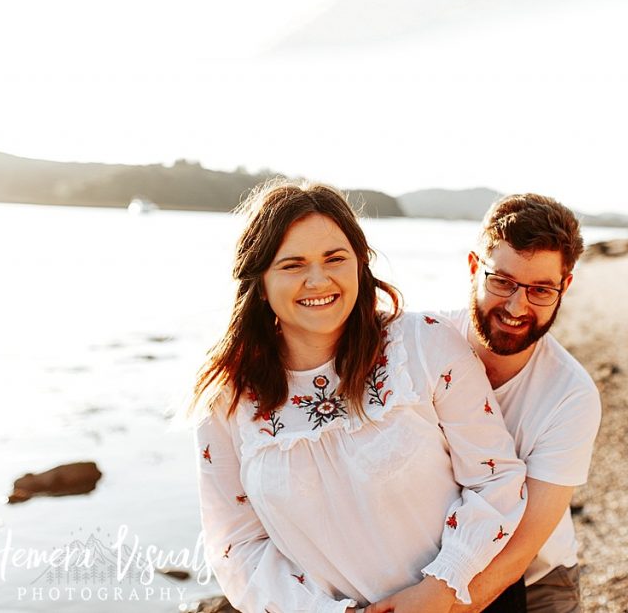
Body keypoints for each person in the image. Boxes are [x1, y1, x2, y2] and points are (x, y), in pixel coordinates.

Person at [189, 180, 527, 613]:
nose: (318, 279)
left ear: (359, 265)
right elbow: (237, 547)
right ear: (260, 279)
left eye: (335, 258)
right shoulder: (226, 400)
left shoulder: (422, 345)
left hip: (468, 599)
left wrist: (442, 586)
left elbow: (496, 477)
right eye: (292, 264)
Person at [441, 194, 602, 612]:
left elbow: (519, 549)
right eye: (503, 281)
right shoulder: (424, 344)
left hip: (536, 575)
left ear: (565, 286)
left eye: (540, 290)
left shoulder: (570, 396)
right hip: (429, 557)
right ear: (475, 267)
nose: (517, 306)